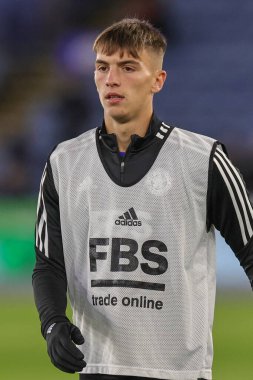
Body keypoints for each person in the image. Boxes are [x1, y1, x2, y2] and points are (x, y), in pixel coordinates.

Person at [32, 18, 253, 380]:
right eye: (102, 67)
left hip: (180, 373)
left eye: (128, 67)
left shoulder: (204, 159)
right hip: (98, 368)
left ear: (158, 80)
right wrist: (53, 323)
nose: (111, 78)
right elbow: (49, 263)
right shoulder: (63, 162)